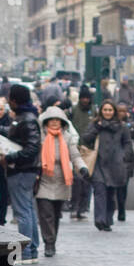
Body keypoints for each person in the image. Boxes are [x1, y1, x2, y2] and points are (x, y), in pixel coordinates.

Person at [0, 83, 42, 262]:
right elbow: (13, 132)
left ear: (15, 100)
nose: (8, 101)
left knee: (23, 211)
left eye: (10, 98)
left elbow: (32, 147)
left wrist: (9, 158)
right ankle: (32, 249)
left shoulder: (27, 119)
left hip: (22, 170)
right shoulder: (24, 117)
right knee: (28, 209)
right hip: (25, 170)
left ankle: (26, 250)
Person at [34, 107, 87, 257]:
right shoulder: (40, 138)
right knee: (46, 214)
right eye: (52, 120)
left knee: (56, 214)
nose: (55, 122)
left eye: (58, 120)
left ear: (63, 122)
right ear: (46, 122)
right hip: (44, 180)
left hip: (62, 180)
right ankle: (48, 243)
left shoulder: (67, 138)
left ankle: (52, 241)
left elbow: (75, 155)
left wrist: (82, 168)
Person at [79, 98, 131, 232]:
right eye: (105, 110)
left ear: (114, 111)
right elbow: (85, 138)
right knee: (100, 191)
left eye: (110, 110)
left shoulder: (121, 127)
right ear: (101, 111)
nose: (107, 112)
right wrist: (97, 128)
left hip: (116, 165)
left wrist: (124, 157)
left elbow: (127, 143)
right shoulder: (96, 124)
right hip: (99, 163)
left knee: (111, 193)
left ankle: (108, 219)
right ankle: (99, 219)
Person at [69, 91, 94, 220]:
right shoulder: (73, 110)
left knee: (87, 180)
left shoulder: (94, 111)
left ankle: (84, 208)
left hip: (90, 151)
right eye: (83, 98)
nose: (85, 100)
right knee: (77, 180)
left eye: (87, 98)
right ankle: (74, 206)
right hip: (76, 149)